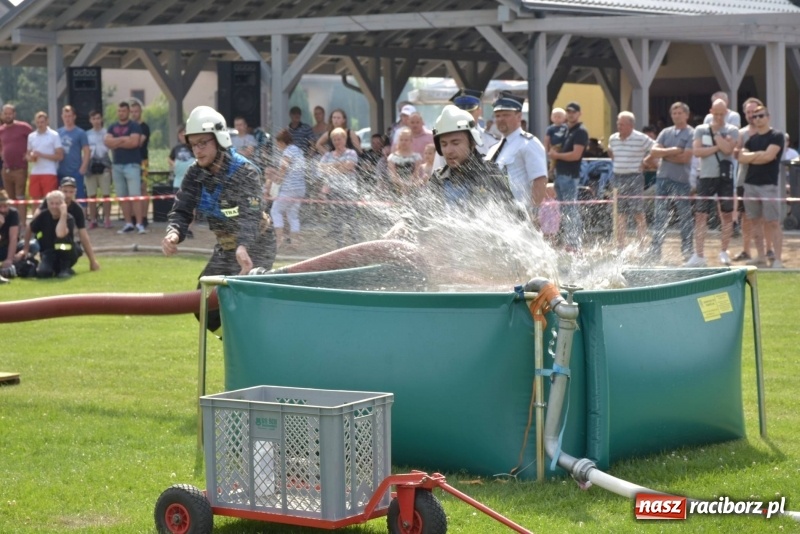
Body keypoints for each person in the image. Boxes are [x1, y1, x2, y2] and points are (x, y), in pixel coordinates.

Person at [162, 106, 277, 332]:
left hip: (257, 245)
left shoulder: (245, 171)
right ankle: (234, 344)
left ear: (220, 140)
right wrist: (173, 232)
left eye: (203, 142)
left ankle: (262, 343)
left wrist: (243, 246)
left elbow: (250, 216)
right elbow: (182, 208)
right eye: (193, 144)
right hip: (227, 248)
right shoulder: (194, 173)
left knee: (244, 304)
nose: (197, 150)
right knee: (203, 305)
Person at [685, 99, 739, 267]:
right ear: (711, 111)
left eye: (721, 114)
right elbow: (697, 151)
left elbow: (729, 150)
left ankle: (724, 251)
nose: (718, 117)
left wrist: (716, 136)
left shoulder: (732, 129)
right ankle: (699, 254)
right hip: (706, 176)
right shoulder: (700, 129)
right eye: (715, 113)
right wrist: (719, 146)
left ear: (726, 112)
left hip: (725, 177)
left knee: (727, 215)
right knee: (701, 215)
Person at [485, 92, 548, 223]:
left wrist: (533, 214)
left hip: (519, 215)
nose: (501, 119)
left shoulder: (529, 143)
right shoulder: (493, 149)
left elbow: (539, 180)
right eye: (497, 115)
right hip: (495, 214)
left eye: (506, 115)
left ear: (519, 116)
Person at [739, 104, 785, 268]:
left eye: (761, 116)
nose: (757, 119)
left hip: (768, 185)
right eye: (754, 117)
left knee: (773, 222)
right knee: (754, 222)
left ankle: (777, 259)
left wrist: (755, 157)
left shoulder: (776, 136)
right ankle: (760, 256)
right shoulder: (752, 139)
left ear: (768, 117)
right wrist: (759, 155)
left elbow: (769, 156)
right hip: (750, 184)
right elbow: (741, 158)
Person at [648, 102, 695, 262]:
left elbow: (685, 158)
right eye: (674, 113)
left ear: (686, 115)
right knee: (659, 216)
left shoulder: (691, 133)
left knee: (685, 216)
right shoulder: (665, 132)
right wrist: (674, 150)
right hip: (663, 179)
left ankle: (687, 249)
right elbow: (654, 152)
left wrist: (664, 154)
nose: (676, 115)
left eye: (679, 113)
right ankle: (655, 251)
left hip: (682, 180)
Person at [30, 176, 100, 272]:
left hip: (66, 245)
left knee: (63, 240)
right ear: (59, 190)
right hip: (49, 247)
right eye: (65, 191)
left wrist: (92, 261)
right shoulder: (49, 203)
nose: (68, 195)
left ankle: (65, 266)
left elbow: (83, 235)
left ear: (75, 192)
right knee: (44, 272)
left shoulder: (77, 209)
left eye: (71, 192)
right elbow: (33, 223)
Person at [607, 111, 654, 248]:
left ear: (630, 125)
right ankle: (620, 245)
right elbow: (611, 151)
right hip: (617, 177)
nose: (619, 126)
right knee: (620, 213)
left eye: (622, 124)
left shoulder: (641, 138)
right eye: (618, 123)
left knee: (638, 212)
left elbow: (656, 148)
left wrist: (646, 161)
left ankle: (642, 245)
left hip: (634, 177)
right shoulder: (613, 138)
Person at [548, 101, 588, 250]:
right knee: (565, 210)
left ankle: (574, 243)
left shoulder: (581, 131)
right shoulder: (565, 130)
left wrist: (556, 155)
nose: (571, 114)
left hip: (570, 176)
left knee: (571, 209)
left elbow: (576, 155)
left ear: (579, 114)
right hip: (560, 174)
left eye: (573, 112)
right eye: (569, 112)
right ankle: (569, 241)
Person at [732, 97, 764, 262]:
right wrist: (757, 156)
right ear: (744, 114)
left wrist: (748, 156)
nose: (752, 115)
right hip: (743, 179)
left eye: (754, 112)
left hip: (764, 179)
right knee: (745, 216)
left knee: (764, 217)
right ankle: (746, 250)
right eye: (748, 112)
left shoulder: (767, 132)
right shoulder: (741, 133)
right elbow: (737, 155)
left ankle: (767, 251)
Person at [18, 190, 78, 278]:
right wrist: (26, 249)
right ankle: (55, 269)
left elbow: (60, 234)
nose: (54, 206)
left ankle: (65, 268)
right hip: (49, 252)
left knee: (60, 241)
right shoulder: (43, 215)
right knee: (43, 273)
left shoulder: (68, 218)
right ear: (48, 204)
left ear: (63, 204)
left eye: (57, 204)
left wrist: (63, 214)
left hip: (66, 253)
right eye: (51, 203)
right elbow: (30, 228)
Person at [105, 101, 145, 234]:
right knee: (122, 196)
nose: (121, 113)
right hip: (117, 165)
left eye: (123, 111)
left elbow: (134, 142)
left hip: (132, 164)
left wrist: (116, 142)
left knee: (135, 195)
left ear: (128, 112)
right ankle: (128, 223)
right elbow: (107, 142)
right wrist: (123, 139)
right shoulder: (112, 127)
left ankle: (139, 224)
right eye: (119, 111)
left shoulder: (135, 126)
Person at [318, 127, 361, 248]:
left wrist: (332, 167)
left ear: (345, 139)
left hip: (349, 191)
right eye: (334, 140)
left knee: (352, 219)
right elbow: (321, 169)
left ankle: (356, 245)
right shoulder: (327, 155)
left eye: (339, 139)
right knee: (337, 221)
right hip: (334, 191)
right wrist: (339, 166)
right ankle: (340, 246)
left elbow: (348, 166)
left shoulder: (351, 153)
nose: (337, 142)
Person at [270, 129, 307, 249]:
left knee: (275, 211)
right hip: (300, 188)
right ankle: (295, 243)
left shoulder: (288, 151)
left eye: (278, 143)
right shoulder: (298, 150)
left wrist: (277, 180)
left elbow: (284, 167)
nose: (277, 146)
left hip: (289, 188)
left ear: (282, 142)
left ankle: (278, 240)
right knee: (293, 215)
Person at [0, 105, 33, 226]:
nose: (8, 116)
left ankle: (23, 225)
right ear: (2, 114)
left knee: (20, 198)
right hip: (6, 169)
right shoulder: (1, 130)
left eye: (10, 113)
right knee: (10, 200)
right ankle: (13, 225)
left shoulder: (24, 127)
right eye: (5, 113)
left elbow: (34, 140)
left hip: (20, 168)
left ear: (14, 114)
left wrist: (29, 154)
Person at [26, 111, 64, 202]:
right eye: (38, 122)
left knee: (49, 200)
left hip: (49, 172)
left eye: (42, 122)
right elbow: (27, 154)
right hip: (35, 172)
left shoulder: (54, 135)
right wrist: (31, 157)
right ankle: (36, 216)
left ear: (47, 122)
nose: (40, 125)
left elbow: (60, 156)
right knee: (35, 199)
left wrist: (42, 155)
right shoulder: (31, 136)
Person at [86, 110, 113, 229]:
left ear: (101, 119)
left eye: (98, 118)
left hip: (104, 165)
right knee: (92, 195)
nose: (96, 121)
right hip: (91, 166)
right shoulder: (86, 134)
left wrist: (110, 167)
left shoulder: (108, 133)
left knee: (106, 194)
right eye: (93, 119)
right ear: (90, 120)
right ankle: (93, 219)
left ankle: (107, 219)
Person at [57, 105, 90, 200]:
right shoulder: (58, 133)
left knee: (79, 198)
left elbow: (87, 151)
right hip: (61, 171)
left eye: (69, 116)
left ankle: (81, 215)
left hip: (76, 171)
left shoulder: (80, 133)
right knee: (62, 199)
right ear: (62, 116)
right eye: (65, 116)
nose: (67, 118)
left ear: (74, 117)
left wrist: (83, 168)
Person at [129, 99, 151, 228]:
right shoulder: (129, 127)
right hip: (130, 161)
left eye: (136, 111)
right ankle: (133, 217)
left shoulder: (144, 127)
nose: (134, 114)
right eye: (132, 112)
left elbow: (138, 142)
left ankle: (144, 216)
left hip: (143, 160)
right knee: (132, 190)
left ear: (140, 112)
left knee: (143, 188)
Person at [387, 127, 422, 198]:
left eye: (406, 140)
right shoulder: (392, 157)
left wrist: (408, 184)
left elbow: (416, 173)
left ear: (411, 141)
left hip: (412, 187)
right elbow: (393, 174)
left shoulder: (417, 157)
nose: (403, 142)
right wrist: (402, 184)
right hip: (396, 188)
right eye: (401, 140)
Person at [0, 189, 20, 281]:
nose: (3, 209)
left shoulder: (13, 213)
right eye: (0, 206)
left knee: (33, 246)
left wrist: (9, 259)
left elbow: (13, 237)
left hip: (7, 248)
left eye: (5, 206)